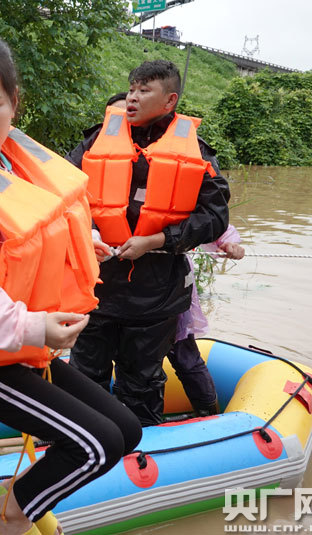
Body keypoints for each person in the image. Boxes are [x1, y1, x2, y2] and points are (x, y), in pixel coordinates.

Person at [0, 33, 143, 535]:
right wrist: (34, 327)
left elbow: (39, 225)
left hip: (24, 348)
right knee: (97, 445)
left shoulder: (10, 159)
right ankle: (11, 510)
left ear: (14, 103)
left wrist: (88, 243)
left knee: (126, 430)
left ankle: (19, 500)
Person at [67, 60, 231, 426]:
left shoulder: (197, 153)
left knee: (141, 384)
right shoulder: (95, 141)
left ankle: (140, 449)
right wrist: (90, 231)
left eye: (144, 91)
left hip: (156, 297)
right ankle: (82, 445)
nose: (132, 98)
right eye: (131, 89)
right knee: (84, 376)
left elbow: (215, 217)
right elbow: (64, 191)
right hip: (96, 289)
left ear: (170, 100)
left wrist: (159, 238)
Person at [168, 225, 244, 416]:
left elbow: (206, 221)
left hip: (171, 287)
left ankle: (208, 415)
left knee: (185, 356)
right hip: (120, 294)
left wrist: (228, 243)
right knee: (130, 362)